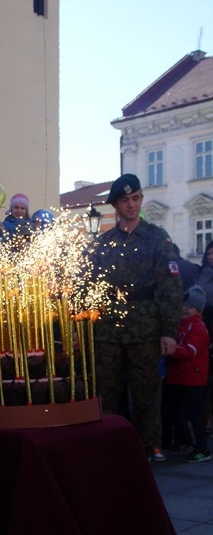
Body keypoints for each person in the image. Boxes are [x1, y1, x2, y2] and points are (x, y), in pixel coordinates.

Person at [89, 174, 183, 461]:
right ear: (115, 205)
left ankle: (149, 446)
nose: (131, 205)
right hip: (108, 331)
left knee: (146, 391)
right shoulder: (103, 243)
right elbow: (89, 287)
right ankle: (106, 445)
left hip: (145, 329)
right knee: (106, 391)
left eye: (135, 198)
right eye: (124, 200)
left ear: (141, 199)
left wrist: (169, 331)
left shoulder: (157, 238)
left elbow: (170, 287)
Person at [165, 285, 211, 462]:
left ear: (198, 310)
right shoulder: (180, 324)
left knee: (189, 417)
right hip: (178, 377)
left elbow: (189, 351)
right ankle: (183, 442)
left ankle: (201, 448)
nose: (184, 308)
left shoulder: (198, 327)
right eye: (183, 305)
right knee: (177, 414)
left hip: (192, 379)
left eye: (190, 306)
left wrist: (170, 349)